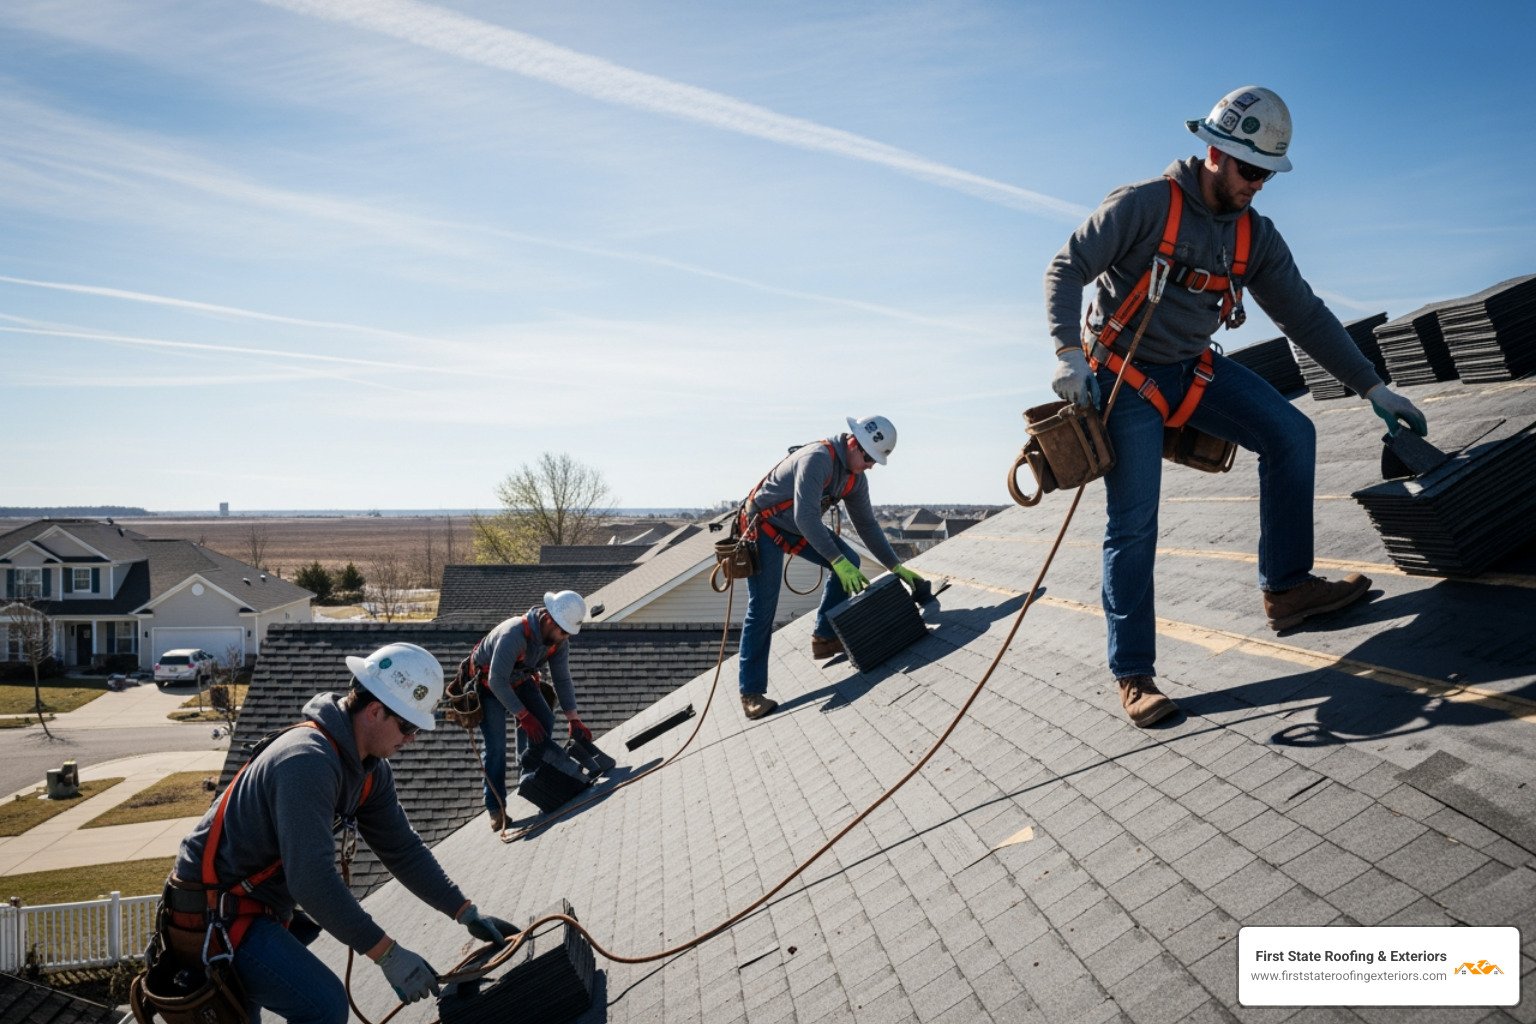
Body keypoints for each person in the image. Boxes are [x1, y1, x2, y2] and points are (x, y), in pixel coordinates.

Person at [1043, 85, 1428, 729]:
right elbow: (1066, 267)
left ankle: (1288, 588)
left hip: (1192, 371)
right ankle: (1134, 673)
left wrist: (1373, 387)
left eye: (1267, 175)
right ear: (1216, 152)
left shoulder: (1255, 235)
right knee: (1133, 523)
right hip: (1123, 377)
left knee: (1291, 434)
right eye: (1250, 170)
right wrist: (1066, 354)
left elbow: (1306, 314)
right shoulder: (1144, 205)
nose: (1257, 185)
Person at [165, 642, 514, 1024]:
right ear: (375, 711)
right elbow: (311, 880)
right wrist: (387, 954)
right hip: (211, 916)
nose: (412, 738)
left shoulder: (369, 771)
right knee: (324, 1007)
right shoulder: (306, 761)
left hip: (252, 908)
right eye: (408, 726)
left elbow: (402, 849)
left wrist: (464, 912)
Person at [734, 415, 927, 720]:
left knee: (850, 560)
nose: (870, 466)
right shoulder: (816, 459)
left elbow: (867, 525)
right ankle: (751, 693)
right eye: (868, 458)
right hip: (763, 526)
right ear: (853, 442)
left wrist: (895, 566)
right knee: (763, 607)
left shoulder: (855, 478)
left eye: (875, 462)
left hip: (795, 526)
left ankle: (824, 637)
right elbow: (806, 518)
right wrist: (835, 560)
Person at [469, 590, 592, 828]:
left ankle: (529, 774)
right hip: (488, 685)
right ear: (549, 620)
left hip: (519, 678)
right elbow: (497, 681)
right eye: (563, 632)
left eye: (568, 633)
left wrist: (573, 718)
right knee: (496, 748)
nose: (564, 637)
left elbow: (562, 679)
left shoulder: (558, 641)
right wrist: (523, 715)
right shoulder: (513, 634)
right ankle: (496, 808)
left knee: (544, 719)